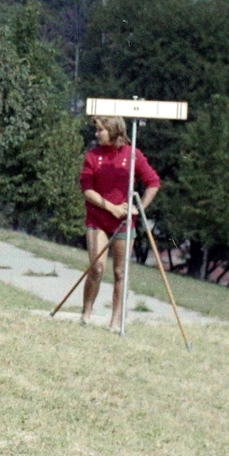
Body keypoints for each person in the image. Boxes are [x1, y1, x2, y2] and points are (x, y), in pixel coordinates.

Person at [78, 114, 160, 332]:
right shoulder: (93, 156)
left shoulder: (132, 156)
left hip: (124, 223)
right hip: (98, 219)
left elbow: (153, 182)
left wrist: (139, 207)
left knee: (120, 273)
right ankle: (86, 312)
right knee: (97, 268)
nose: (96, 134)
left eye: (100, 130)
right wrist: (110, 207)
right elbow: (87, 189)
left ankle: (115, 321)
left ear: (114, 130)